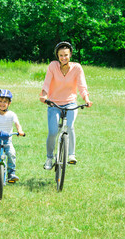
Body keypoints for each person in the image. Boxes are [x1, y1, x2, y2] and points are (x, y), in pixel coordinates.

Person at [39, 41, 92, 169]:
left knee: (69, 126)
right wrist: (43, 96)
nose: (64, 58)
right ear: (57, 56)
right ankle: (49, 158)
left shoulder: (77, 68)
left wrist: (86, 99)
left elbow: (82, 86)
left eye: (66, 55)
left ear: (70, 55)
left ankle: (71, 155)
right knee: (52, 132)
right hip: (54, 103)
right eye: (61, 55)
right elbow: (46, 83)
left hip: (70, 103)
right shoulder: (53, 66)